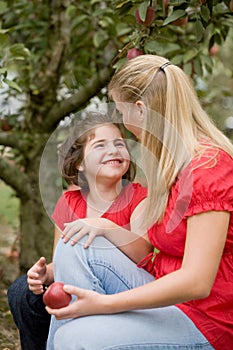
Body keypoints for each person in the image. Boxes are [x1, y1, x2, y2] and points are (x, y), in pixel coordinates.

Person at [44, 55, 233, 350]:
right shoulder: (170, 166)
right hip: (165, 294)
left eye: (122, 113)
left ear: (141, 111)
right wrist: (103, 228)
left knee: (73, 338)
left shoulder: (208, 167)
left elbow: (197, 283)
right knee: (73, 242)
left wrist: (105, 305)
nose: (125, 128)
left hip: (205, 319)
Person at [7, 111, 153, 350]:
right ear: (79, 163)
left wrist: (105, 227)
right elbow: (64, 260)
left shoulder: (139, 198)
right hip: (80, 284)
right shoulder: (69, 202)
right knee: (21, 291)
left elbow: (143, 253)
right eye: (100, 145)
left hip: (128, 287)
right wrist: (44, 274)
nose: (114, 150)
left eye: (119, 143)